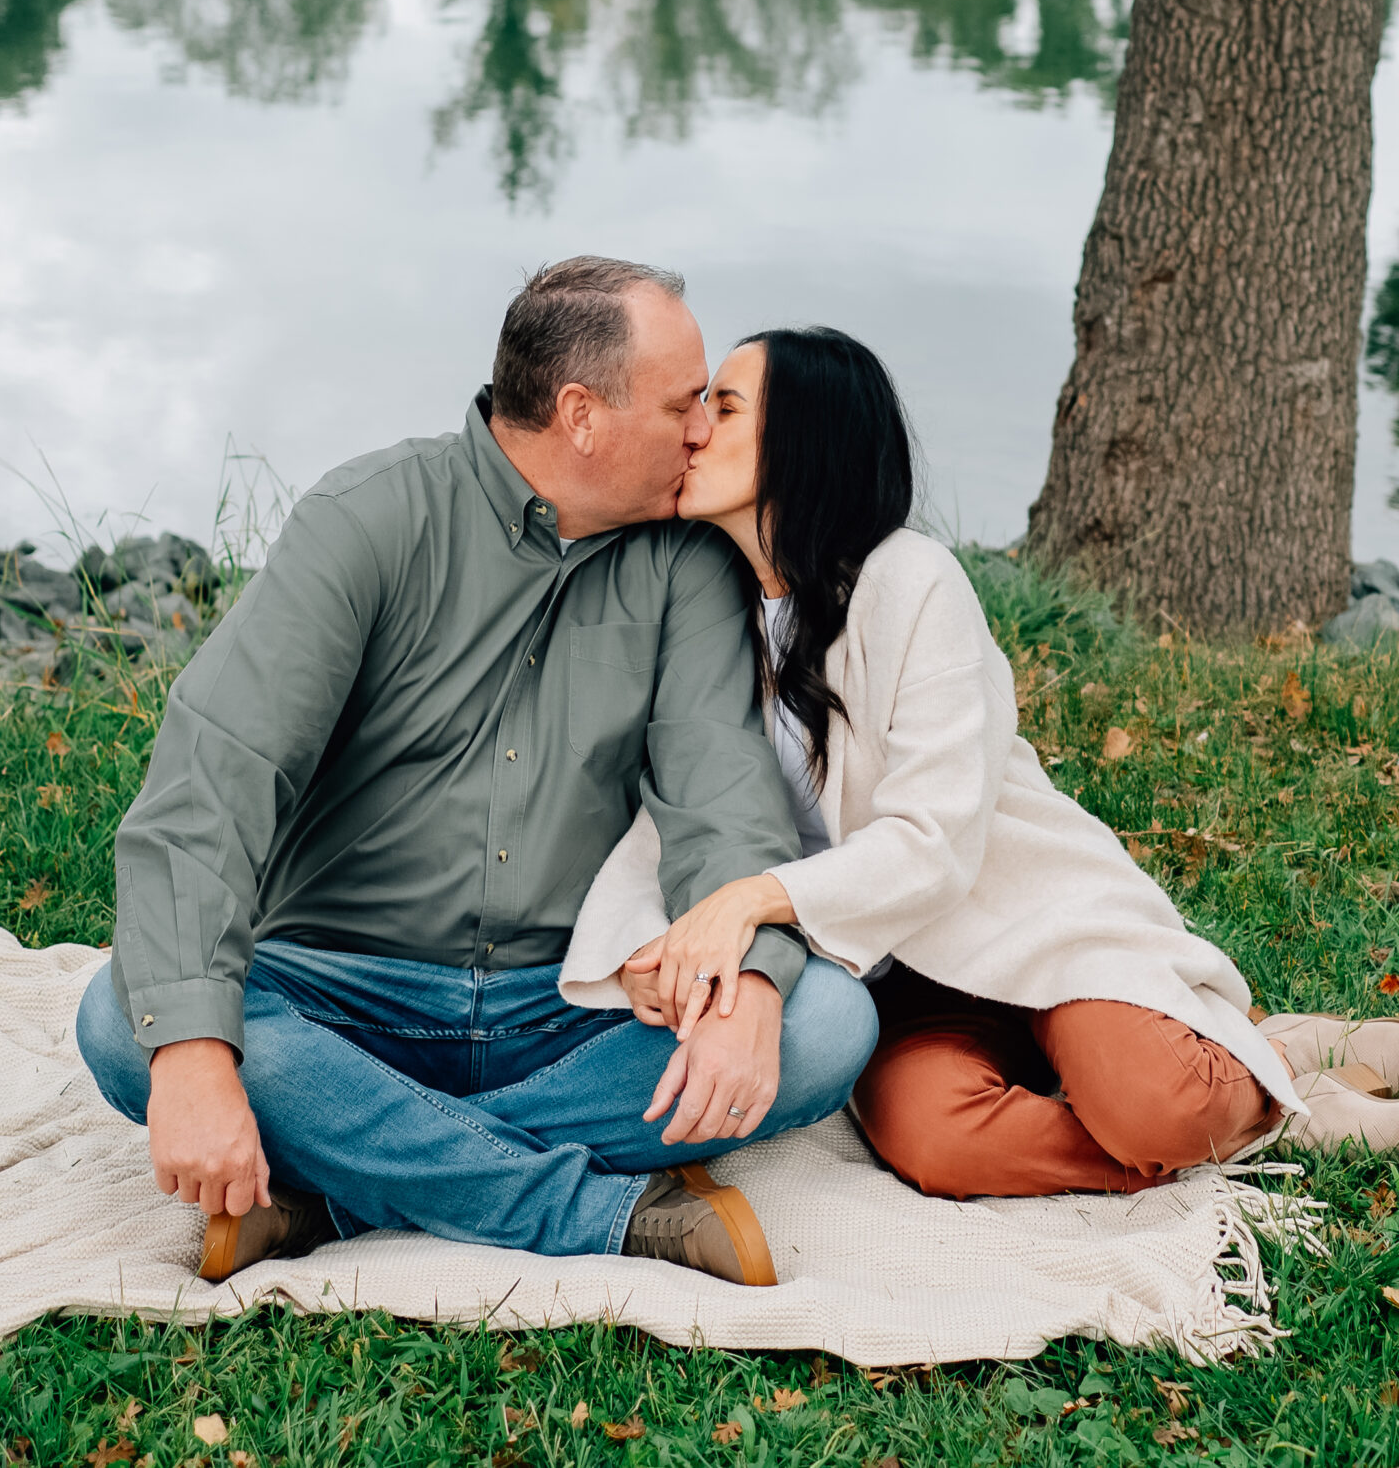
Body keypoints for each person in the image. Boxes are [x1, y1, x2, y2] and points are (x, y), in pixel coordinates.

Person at [75, 259, 879, 1288]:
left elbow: (722, 801)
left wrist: (751, 982)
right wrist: (193, 1057)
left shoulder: (687, 567)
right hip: (336, 992)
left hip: (569, 1007)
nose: (699, 432)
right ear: (581, 416)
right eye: (684, 403)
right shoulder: (367, 519)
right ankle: (592, 1212)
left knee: (820, 1024)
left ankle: (337, 1173)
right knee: (126, 1023)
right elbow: (208, 789)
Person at [562, 328, 1399, 1198]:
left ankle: (1275, 1086)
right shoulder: (711, 611)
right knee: (934, 1140)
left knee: (1154, 1108)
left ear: (806, 440)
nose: (692, 428)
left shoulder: (910, 582)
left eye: (723, 406)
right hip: (903, 983)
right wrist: (648, 940)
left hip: (1023, 927)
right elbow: (675, 806)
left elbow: (933, 842)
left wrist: (754, 899)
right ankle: (1242, 1075)